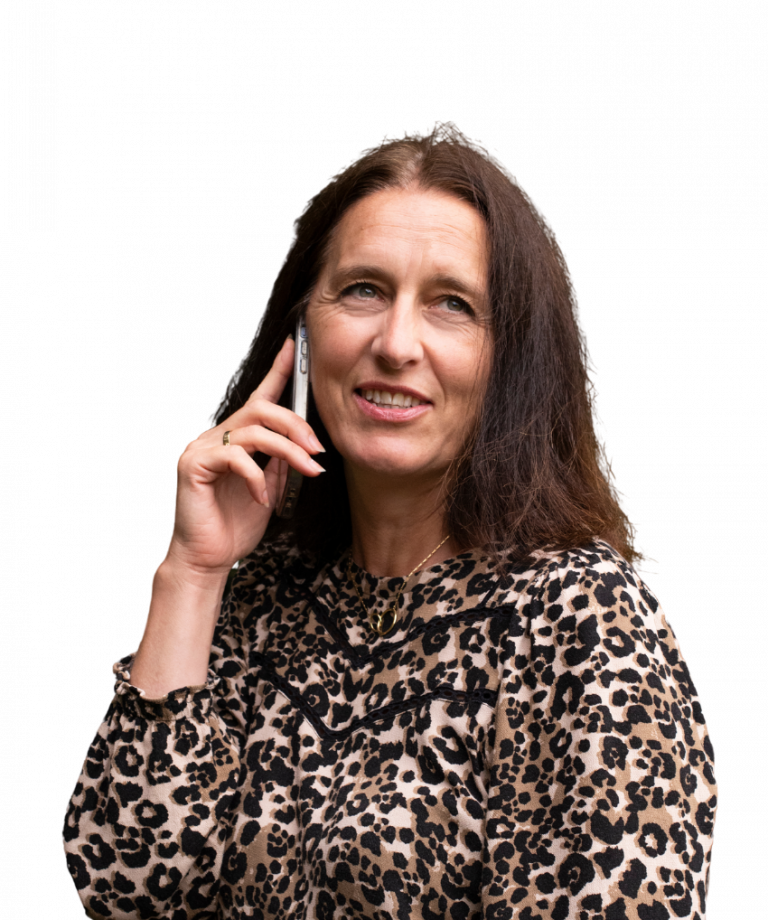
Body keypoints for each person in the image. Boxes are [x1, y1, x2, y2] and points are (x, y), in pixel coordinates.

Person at [62, 122, 717, 919]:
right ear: (302, 336)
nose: (397, 343)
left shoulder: (583, 618)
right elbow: (123, 890)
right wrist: (193, 573)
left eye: (452, 304)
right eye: (364, 290)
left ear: (510, 360)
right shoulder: (259, 593)